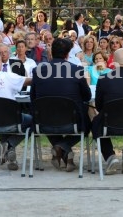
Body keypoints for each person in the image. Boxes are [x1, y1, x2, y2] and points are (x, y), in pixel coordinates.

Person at [30, 38, 91, 172]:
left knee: (48, 116)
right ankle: (63, 147)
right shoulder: (77, 70)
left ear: (51, 52)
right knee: (87, 123)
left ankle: (61, 149)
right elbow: (87, 96)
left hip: (44, 120)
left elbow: (33, 97)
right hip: (72, 120)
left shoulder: (38, 71)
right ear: (68, 54)